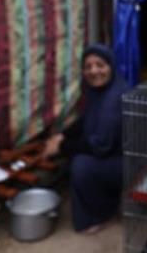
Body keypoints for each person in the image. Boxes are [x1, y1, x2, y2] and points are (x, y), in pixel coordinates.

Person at [42, 44, 128, 234]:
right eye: (88, 66)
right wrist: (62, 135)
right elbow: (84, 120)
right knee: (76, 152)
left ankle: (103, 214)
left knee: (82, 165)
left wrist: (61, 146)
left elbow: (101, 146)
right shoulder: (98, 93)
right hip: (112, 155)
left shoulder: (113, 99)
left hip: (128, 164)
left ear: (111, 67)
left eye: (100, 65)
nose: (93, 71)